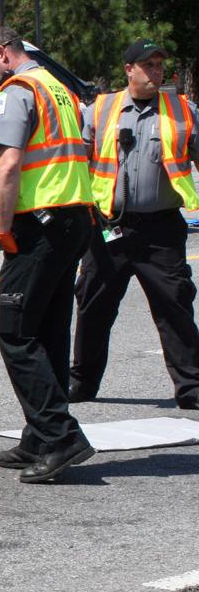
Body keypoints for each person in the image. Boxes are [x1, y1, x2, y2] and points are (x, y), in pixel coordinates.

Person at [0, 25, 96, 483]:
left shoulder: (17, 90)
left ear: (1, 54)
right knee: (47, 331)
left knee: (16, 333)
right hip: (70, 218)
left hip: (39, 223)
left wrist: (2, 227)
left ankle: (61, 436)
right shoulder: (55, 87)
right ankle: (40, 435)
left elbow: (8, 164)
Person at [69, 38, 199, 409]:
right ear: (129, 70)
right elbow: (79, 160)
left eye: (159, 65)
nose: (156, 72)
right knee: (93, 305)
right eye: (148, 66)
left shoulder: (182, 111)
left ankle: (191, 387)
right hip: (109, 226)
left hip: (160, 229)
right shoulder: (100, 110)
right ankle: (82, 382)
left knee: (175, 306)